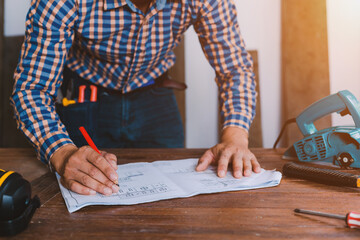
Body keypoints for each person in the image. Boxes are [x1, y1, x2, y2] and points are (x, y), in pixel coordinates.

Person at [11, 0, 261, 196]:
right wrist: (61, 152)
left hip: (156, 96)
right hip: (86, 98)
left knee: (170, 205)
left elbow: (235, 70)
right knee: (85, 190)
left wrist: (235, 137)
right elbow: (32, 89)